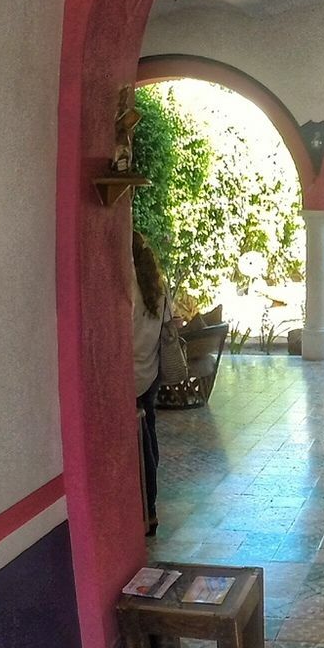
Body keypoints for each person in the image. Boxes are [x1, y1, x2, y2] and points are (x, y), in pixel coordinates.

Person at [130, 230, 172, 536]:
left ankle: (145, 511)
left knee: (139, 447)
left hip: (127, 377)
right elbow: (169, 323)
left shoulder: (122, 286)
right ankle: (151, 509)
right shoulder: (157, 285)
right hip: (151, 370)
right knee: (150, 440)